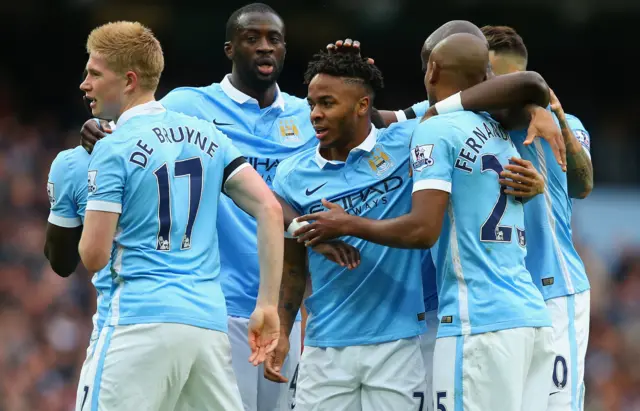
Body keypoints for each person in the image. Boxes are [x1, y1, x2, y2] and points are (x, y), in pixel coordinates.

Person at [77, 6, 359, 409]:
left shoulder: (306, 113)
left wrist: (351, 76)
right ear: (229, 48)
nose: (264, 48)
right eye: (251, 38)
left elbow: (360, 140)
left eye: (274, 39)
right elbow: (267, 205)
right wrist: (102, 129)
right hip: (216, 309)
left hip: (273, 308)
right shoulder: (192, 110)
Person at [294, 33, 555, 411]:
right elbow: (531, 88)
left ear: (432, 69)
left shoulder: (435, 129)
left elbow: (422, 229)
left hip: (476, 322)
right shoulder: (499, 125)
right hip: (530, 316)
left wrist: (348, 223)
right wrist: (350, 80)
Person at [76, 20, 283, 410]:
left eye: (93, 73)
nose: (84, 84)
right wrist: (267, 305)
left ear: (129, 80)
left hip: (137, 323)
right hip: (206, 329)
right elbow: (270, 208)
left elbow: (93, 256)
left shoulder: (113, 147)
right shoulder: (209, 136)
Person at [271, 51, 428, 411]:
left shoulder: (407, 143)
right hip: (324, 347)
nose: (315, 114)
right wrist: (283, 331)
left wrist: (543, 108)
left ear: (362, 105)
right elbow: (293, 268)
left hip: (398, 344)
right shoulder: (292, 175)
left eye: (327, 103)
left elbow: (466, 102)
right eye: (312, 103)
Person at [481, 24, 593, 411]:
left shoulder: (564, 126)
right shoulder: (471, 129)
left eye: (504, 80)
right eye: (487, 79)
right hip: (497, 299)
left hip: (555, 292)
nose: (496, 88)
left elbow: (583, 185)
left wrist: (554, 113)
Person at [44, 119, 113, 411]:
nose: (85, 85)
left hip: (129, 319)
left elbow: (65, 261)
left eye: (95, 74)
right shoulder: (188, 126)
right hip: (206, 319)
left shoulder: (75, 163)